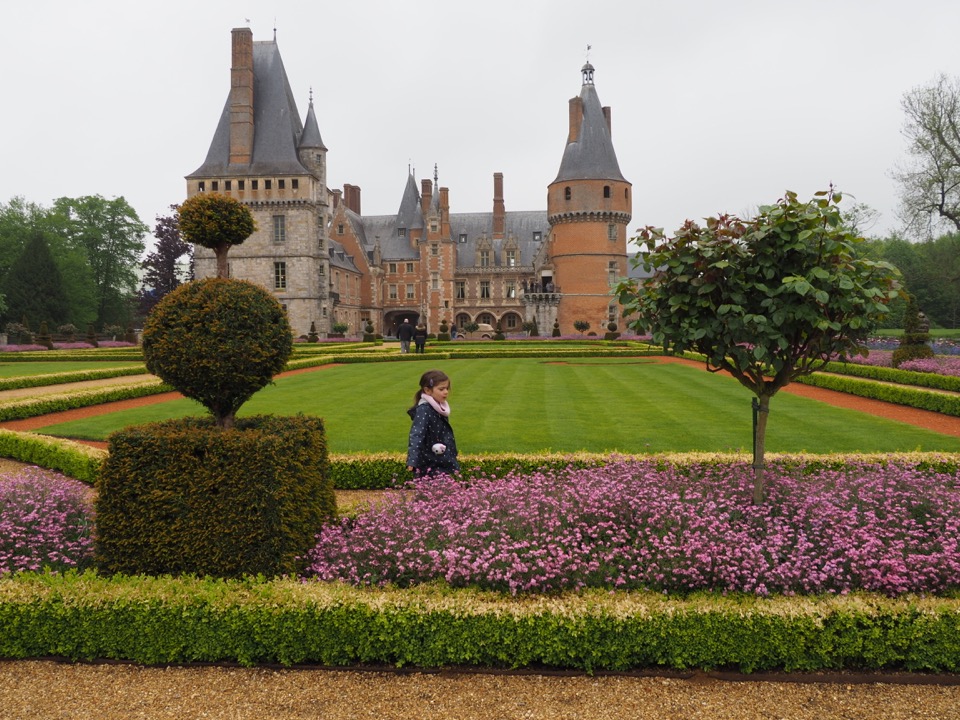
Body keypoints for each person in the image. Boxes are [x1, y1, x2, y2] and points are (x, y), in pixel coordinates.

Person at [407, 369, 459, 476]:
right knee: (435, 490)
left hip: (442, 458)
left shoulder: (439, 406)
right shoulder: (424, 409)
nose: (446, 392)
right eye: (441, 389)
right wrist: (412, 459)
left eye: (447, 388)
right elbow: (417, 434)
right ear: (427, 390)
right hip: (429, 463)